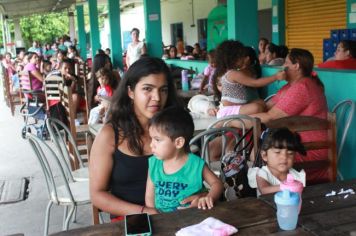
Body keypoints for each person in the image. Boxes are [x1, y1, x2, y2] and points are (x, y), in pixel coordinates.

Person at [90, 57, 201, 221]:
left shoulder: (175, 128)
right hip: (131, 220)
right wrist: (144, 211)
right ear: (130, 92)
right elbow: (97, 194)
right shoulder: (110, 135)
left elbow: (191, 173)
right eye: (148, 89)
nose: (157, 97)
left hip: (178, 215)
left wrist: (199, 196)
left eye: (163, 90)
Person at [251, 48, 328, 184]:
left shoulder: (303, 87)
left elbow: (270, 117)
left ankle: (268, 193)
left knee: (261, 154)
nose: (283, 66)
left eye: (286, 62)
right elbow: (265, 106)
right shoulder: (290, 87)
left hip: (310, 149)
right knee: (254, 151)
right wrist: (241, 111)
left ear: (296, 66)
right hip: (294, 146)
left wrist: (234, 120)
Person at [145, 107, 223, 212]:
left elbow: (217, 184)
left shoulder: (196, 164)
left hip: (193, 217)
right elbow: (149, 199)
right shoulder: (154, 163)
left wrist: (209, 198)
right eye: (151, 139)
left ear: (178, 142)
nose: (151, 145)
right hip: (162, 218)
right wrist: (154, 215)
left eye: (157, 140)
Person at [213, 41, 280, 118]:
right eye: (241, 56)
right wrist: (276, 77)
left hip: (237, 107)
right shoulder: (233, 74)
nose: (244, 58)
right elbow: (255, 83)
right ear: (233, 58)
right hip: (228, 111)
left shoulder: (234, 72)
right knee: (256, 107)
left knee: (260, 102)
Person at [248, 128, 306, 196]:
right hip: (265, 205)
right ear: (265, 156)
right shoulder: (262, 174)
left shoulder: (296, 175)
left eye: (290, 153)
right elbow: (264, 190)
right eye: (277, 152)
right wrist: (285, 187)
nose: (284, 157)